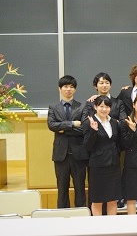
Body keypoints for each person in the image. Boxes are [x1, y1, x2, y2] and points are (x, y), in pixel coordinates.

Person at [47, 75, 88, 208]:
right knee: (62, 189)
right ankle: (62, 217)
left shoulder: (82, 107)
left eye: (71, 87)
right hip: (61, 155)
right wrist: (72, 124)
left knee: (80, 189)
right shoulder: (53, 107)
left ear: (75, 90)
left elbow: (83, 128)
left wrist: (62, 127)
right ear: (60, 89)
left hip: (79, 154)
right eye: (65, 86)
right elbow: (52, 126)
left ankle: (81, 216)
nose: (68, 89)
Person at [83, 95, 121, 215]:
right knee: (97, 199)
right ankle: (98, 228)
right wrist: (93, 131)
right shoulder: (89, 122)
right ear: (95, 107)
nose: (104, 109)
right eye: (101, 106)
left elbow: (117, 142)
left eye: (107, 106)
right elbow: (87, 146)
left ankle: (112, 228)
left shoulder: (114, 122)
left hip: (113, 165)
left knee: (112, 198)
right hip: (98, 166)